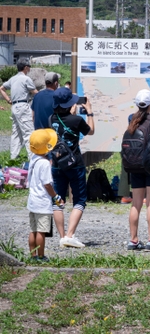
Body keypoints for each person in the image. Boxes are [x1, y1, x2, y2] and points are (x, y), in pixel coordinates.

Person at [50, 87, 95, 248]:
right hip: (74, 164)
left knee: (58, 200)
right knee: (80, 199)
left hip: (56, 164)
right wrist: (89, 112)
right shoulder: (76, 120)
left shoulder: (51, 118)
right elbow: (91, 131)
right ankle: (70, 234)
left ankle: (62, 236)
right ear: (69, 104)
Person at [125, 89, 150, 251]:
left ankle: (133, 239)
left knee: (136, 203)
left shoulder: (131, 118)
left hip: (134, 164)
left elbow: (140, 115)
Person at [26, 129, 63, 261]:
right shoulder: (45, 163)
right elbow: (47, 184)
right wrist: (56, 197)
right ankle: (41, 256)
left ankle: (32, 256)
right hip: (42, 202)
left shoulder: (34, 158)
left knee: (33, 230)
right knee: (41, 231)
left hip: (32, 200)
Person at [1, 58, 38, 159]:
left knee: (16, 133)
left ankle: (13, 158)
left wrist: (9, 100)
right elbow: (35, 92)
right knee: (29, 132)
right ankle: (33, 157)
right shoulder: (26, 79)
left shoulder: (13, 78)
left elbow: (2, 88)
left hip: (14, 107)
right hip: (23, 106)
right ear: (26, 68)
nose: (30, 68)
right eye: (29, 67)